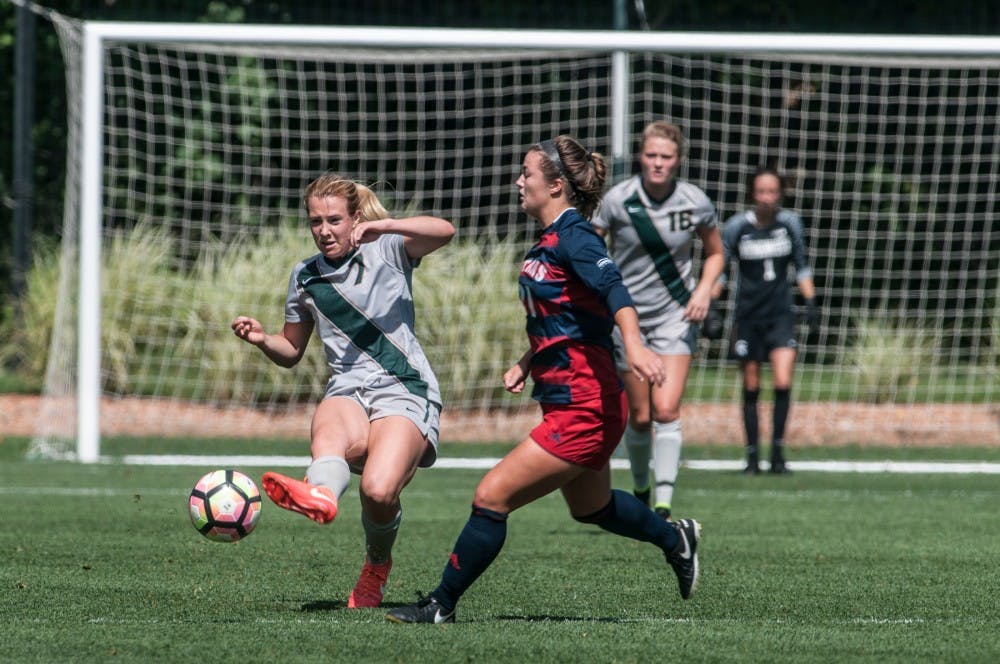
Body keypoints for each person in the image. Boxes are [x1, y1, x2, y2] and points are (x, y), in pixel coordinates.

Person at [385, 135, 702, 625]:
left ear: (555, 185)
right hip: (569, 397)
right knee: (591, 508)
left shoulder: (576, 236)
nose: (519, 181)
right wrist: (527, 360)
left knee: (491, 496)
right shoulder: (550, 238)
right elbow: (568, 316)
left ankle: (439, 605)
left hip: (586, 405)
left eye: (527, 174)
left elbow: (614, 289)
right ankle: (675, 538)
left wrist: (635, 345)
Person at [231, 173, 455, 608]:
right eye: (316, 221)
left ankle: (376, 564)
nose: (324, 230)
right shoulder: (305, 276)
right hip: (348, 391)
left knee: (378, 491)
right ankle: (321, 494)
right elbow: (291, 348)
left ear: (355, 218)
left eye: (334, 219)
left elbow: (445, 231)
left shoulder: (388, 250)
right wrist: (262, 340)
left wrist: (384, 226)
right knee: (329, 428)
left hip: (403, 389)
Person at [591, 121, 724, 519]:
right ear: (640, 156)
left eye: (666, 157)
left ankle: (663, 503)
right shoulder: (618, 199)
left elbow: (716, 253)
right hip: (627, 320)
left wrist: (703, 292)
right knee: (641, 415)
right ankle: (641, 486)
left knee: (666, 410)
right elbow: (590, 248)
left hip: (675, 318)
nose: (658, 163)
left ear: (678, 159)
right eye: (651, 155)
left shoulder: (694, 201)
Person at [711, 166, 818, 474]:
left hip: (781, 314)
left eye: (773, 192)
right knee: (752, 384)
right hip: (747, 316)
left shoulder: (790, 224)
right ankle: (753, 455)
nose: (767, 198)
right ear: (752, 194)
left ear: (780, 194)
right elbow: (721, 267)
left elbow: (801, 265)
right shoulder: (736, 227)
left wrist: (811, 302)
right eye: (762, 192)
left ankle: (779, 454)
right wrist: (713, 305)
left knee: (783, 381)